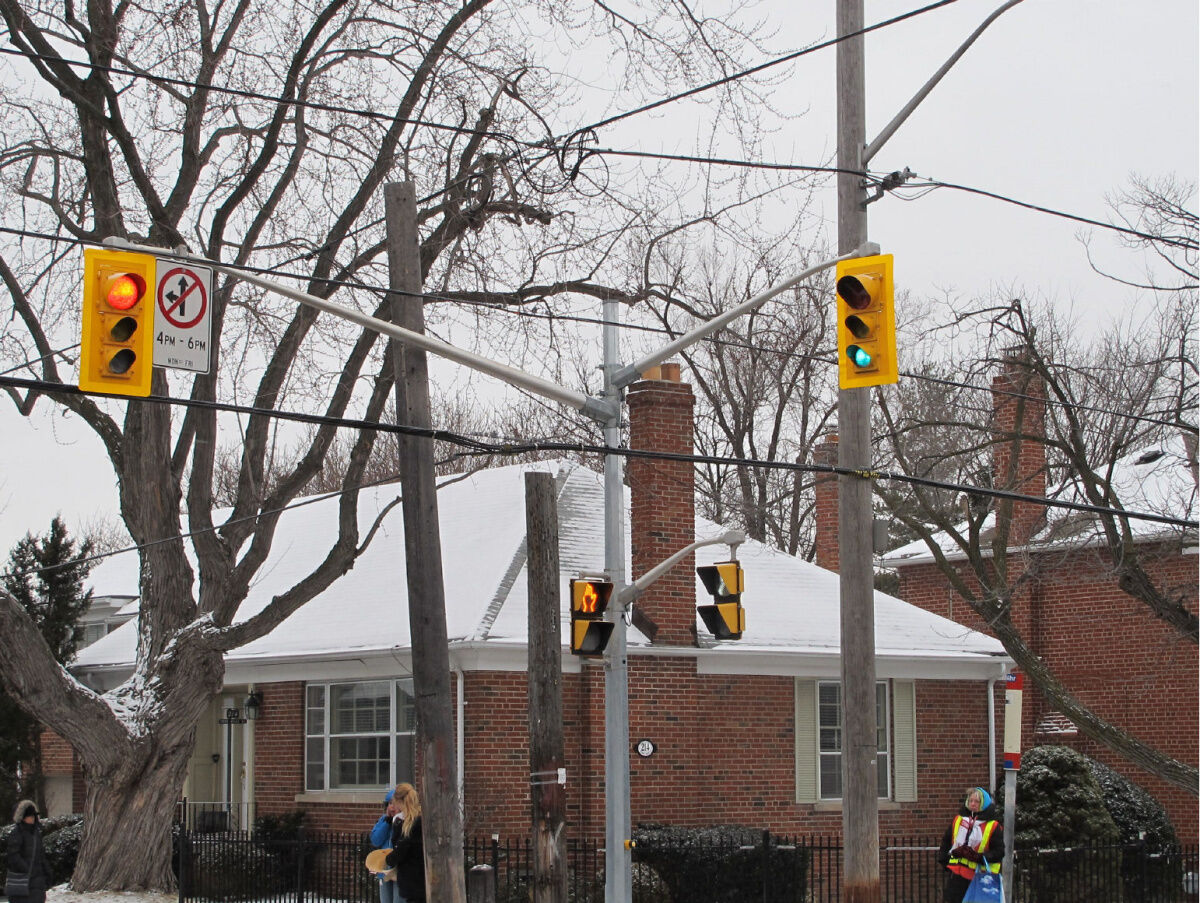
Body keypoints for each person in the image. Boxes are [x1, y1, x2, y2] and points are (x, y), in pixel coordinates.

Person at [937, 786, 1004, 903]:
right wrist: (944, 859)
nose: (973, 804)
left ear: (984, 803)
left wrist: (980, 857)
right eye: (971, 800)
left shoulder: (993, 826)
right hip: (957, 875)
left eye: (977, 801)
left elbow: (999, 852)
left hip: (979, 877)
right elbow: (947, 841)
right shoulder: (958, 819)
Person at [385, 782, 425, 903]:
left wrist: (389, 859)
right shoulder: (423, 819)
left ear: (398, 801)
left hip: (412, 880)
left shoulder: (404, 823)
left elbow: (401, 849)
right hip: (425, 877)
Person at [6, 800, 51, 903]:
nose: (32, 818)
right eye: (30, 816)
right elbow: (13, 855)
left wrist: (47, 873)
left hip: (36, 881)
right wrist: (26, 868)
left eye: (33, 816)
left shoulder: (36, 834)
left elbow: (41, 856)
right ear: (23, 817)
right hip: (21, 880)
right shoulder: (17, 833)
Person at [369, 787, 400, 903]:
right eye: (390, 803)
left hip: (398, 869)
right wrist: (386, 823)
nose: (392, 807)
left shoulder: (405, 821)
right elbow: (376, 840)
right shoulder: (383, 820)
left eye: (395, 804)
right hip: (384, 867)